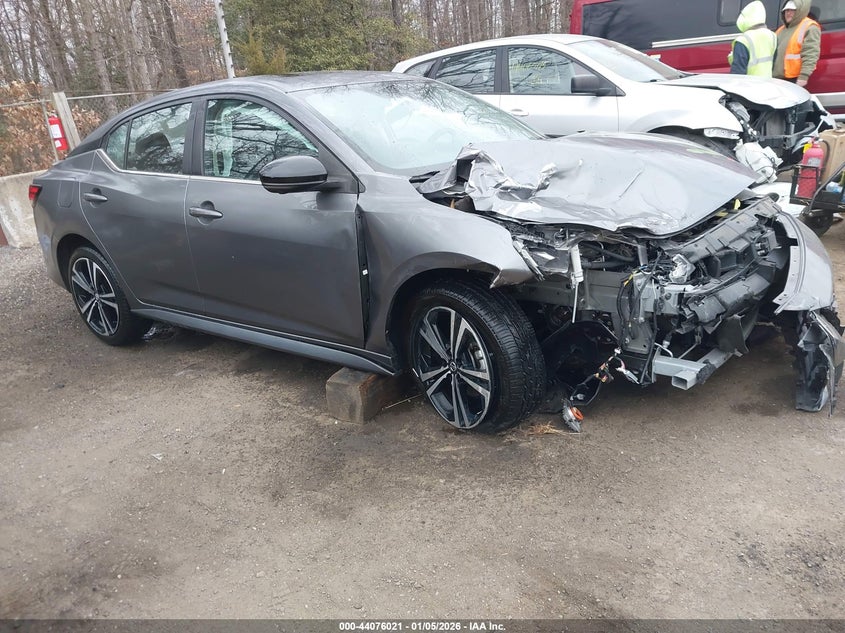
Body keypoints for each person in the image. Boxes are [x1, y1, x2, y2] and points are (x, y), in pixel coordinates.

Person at [773, 0, 821, 87]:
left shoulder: (810, 27)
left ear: (800, 10)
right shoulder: (781, 30)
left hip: (794, 79)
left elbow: (811, 54)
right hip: (779, 79)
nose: (788, 13)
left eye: (792, 10)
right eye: (786, 10)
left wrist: (803, 76)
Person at [729, 1, 777, 76]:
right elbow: (774, 63)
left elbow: (738, 71)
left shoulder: (743, 40)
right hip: (767, 83)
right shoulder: (773, 36)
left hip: (749, 85)